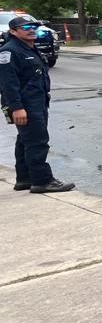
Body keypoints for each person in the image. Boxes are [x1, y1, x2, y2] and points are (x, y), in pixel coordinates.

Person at [0, 15, 74, 193]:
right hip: (25, 104)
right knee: (37, 141)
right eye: (25, 28)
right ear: (13, 31)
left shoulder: (29, 48)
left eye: (33, 27)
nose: (31, 30)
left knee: (25, 140)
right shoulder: (9, 52)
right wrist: (17, 108)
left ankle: (24, 178)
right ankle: (42, 180)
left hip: (37, 101)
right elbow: (8, 84)